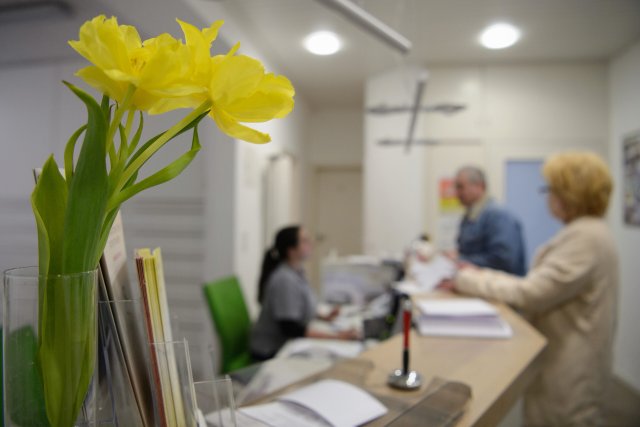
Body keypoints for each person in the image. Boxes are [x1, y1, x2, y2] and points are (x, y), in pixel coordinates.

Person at [441, 152, 618, 426]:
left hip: (570, 367)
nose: (547, 197)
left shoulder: (585, 237)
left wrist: (466, 279)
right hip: (562, 357)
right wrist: (473, 274)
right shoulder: (584, 232)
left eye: (551, 190)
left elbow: (531, 293)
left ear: (569, 193)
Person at [250, 225, 357, 360]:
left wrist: (325, 317)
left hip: (287, 344)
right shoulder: (285, 279)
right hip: (271, 352)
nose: (310, 243)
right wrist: (337, 337)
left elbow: (299, 308)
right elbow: (291, 328)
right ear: (291, 250)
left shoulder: (297, 272)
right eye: (305, 241)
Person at [453, 166, 526, 276]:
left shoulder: (499, 216)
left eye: (460, 187)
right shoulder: (469, 217)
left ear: (480, 186)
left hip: (501, 289)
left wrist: (462, 260)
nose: (457, 193)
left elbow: (504, 260)